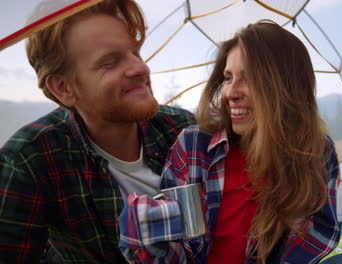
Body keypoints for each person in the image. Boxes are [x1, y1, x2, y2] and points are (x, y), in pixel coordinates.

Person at [119, 20, 340, 264]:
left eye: (249, 78)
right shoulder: (194, 147)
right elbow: (178, 251)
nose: (230, 93)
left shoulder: (316, 152)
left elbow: (316, 236)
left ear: (286, 87)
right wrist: (150, 237)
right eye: (227, 77)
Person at [0, 0, 195, 263]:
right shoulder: (28, 159)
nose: (141, 68)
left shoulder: (184, 130)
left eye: (135, 52)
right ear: (63, 88)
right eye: (110, 62)